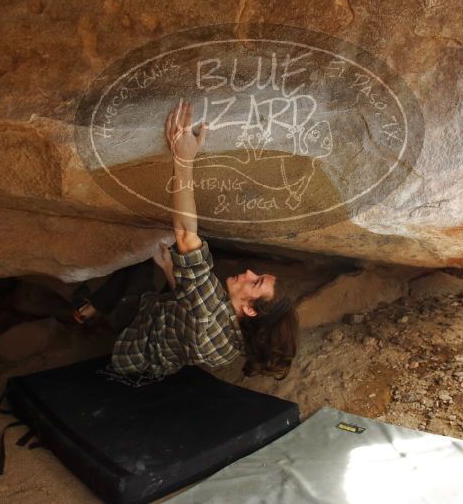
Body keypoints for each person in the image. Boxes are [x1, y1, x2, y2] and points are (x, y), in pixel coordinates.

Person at [74, 100, 299, 386]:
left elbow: (184, 234)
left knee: (137, 258)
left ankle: (89, 309)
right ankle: (94, 307)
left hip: (134, 340)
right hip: (160, 335)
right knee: (156, 260)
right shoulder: (233, 344)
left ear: (251, 309)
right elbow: (191, 305)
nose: (250, 273)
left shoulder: (209, 314)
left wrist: (183, 157)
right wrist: (170, 271)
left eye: (256, 282)